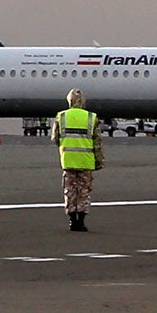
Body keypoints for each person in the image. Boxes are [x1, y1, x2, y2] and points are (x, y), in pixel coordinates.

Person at [54, 88, 105, 231]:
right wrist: (99, 161)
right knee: (83, 192)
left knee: (70, 190)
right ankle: (81, 221)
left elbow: (55, 138)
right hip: (86, 161)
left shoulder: (61, 116)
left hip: (68, 160)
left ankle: (72, 220)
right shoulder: (91, 117)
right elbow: (97, 143)